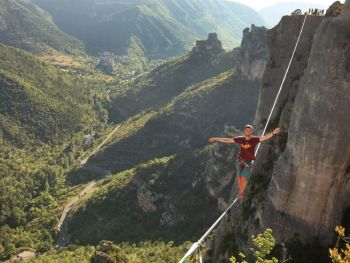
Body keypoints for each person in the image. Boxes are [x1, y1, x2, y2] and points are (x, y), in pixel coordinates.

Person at [208, 125, 281, 201]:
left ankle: (241, 192)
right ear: (244, 131)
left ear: (251, 132)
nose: (248, 131)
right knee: (239, 178)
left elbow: (264, 137)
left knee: (245, 177)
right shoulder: (241, 139)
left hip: (248, 162)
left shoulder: (254, 139)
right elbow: (228, 140)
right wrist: (216, 139)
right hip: (240, 160)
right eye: (246, 130)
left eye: (249, 130)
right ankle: (241, 191)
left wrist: (273, 133)